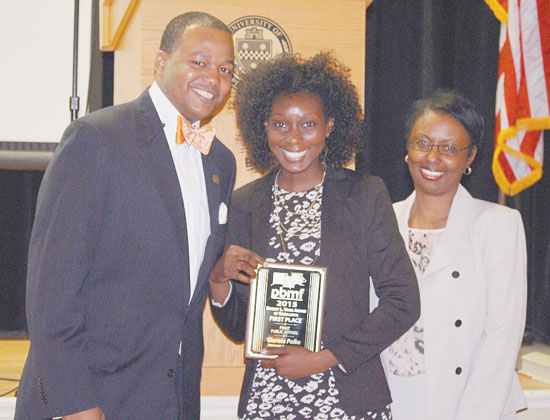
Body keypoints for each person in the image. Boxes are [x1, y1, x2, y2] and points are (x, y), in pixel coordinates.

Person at [15, 11, 236, 420]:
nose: (214, 78)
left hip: (171, 402)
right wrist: (79, 405)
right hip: (90, 401)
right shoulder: (97, 138)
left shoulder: (219, 161)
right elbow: (51, 291)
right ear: (161, 61)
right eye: (199, 62)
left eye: (225, 69)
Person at [208, 52, 420, 419]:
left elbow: (402, 302)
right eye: (280, 124)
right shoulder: (246, 203)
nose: (293, 138)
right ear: (263, 126)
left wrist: (324, 359)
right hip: (267, 401)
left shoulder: (365, 195)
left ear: (330, 126)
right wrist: (217, 281)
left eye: (308, 124)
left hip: (347, 399)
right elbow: (238, 327)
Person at [380, 90, 527, 420]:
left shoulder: (498, 225)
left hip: (469, 401)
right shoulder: (382, 221)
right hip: (392, 399)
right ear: (407, 147)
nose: (433, 158)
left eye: (449, 148)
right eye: (422, 143)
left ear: (470, 156)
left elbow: (502, 336)